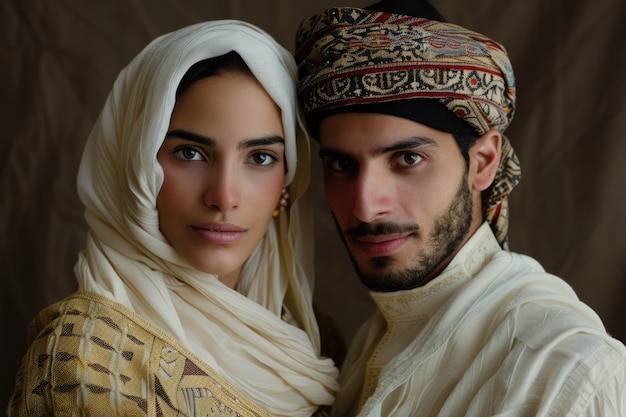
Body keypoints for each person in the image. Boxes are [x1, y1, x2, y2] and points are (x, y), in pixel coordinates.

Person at [294, 0, 626, 416]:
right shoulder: (369, 343)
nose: (364, 207)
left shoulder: (562, 370)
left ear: (483, 161)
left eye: (407, 159)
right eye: (343, 165)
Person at [7, 20, 340, 417]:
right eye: (189, 153)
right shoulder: (84, 362)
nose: (224, 197)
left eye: (260, 158)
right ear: (137, 167)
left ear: (288, 179)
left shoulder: (313, 338)